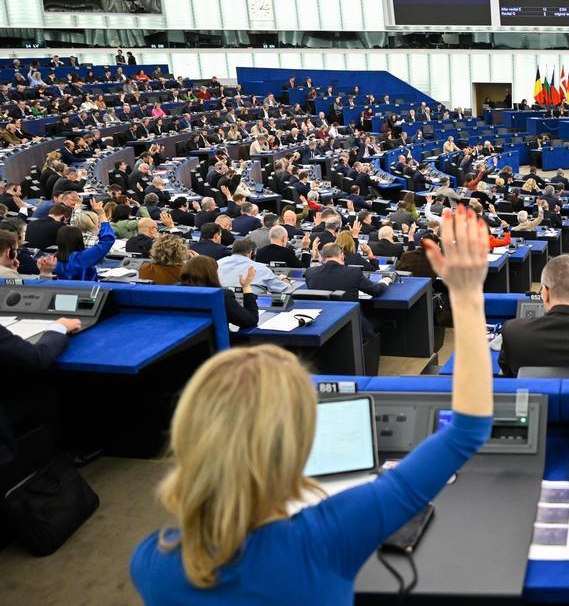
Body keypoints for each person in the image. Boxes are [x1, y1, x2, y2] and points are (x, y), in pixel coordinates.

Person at [131, 207, 494, 603]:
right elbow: (467, 430)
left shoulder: (149, 561)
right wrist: (466, 295)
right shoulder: (328, 535)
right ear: (297, 441)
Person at [178, 256, 259, 330]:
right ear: (211, 275)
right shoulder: (221, 296)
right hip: (215, 341)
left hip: (181, 340)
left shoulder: (174, 293)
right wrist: (246, 287)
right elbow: (251, 320)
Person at [53, 200, 115, 281]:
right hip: (86, 288)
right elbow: (107, 240)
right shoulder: (83, 258)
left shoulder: (53, 260)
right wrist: (102, 215)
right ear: (79, 239)